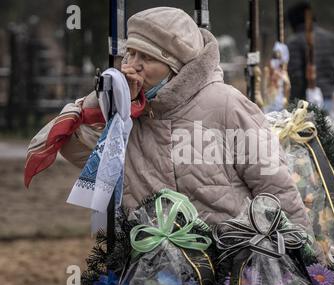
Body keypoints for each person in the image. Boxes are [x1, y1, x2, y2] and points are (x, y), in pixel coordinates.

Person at [26, 7, 309, 228]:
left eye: (145, 58)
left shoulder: (226, 104)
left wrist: (301, 263)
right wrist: (102, 102)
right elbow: (72, 146)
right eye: (130, 54)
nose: (131, 66)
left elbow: (276, 188)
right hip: (152, 268)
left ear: (174, 65)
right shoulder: (126, 115)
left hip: (228, 268)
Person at [287, 2, 334, 112]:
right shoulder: (332, 40)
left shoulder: (294, 42)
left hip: (307, 103)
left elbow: (296, 78)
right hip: (333, 100)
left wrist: (293, 105)